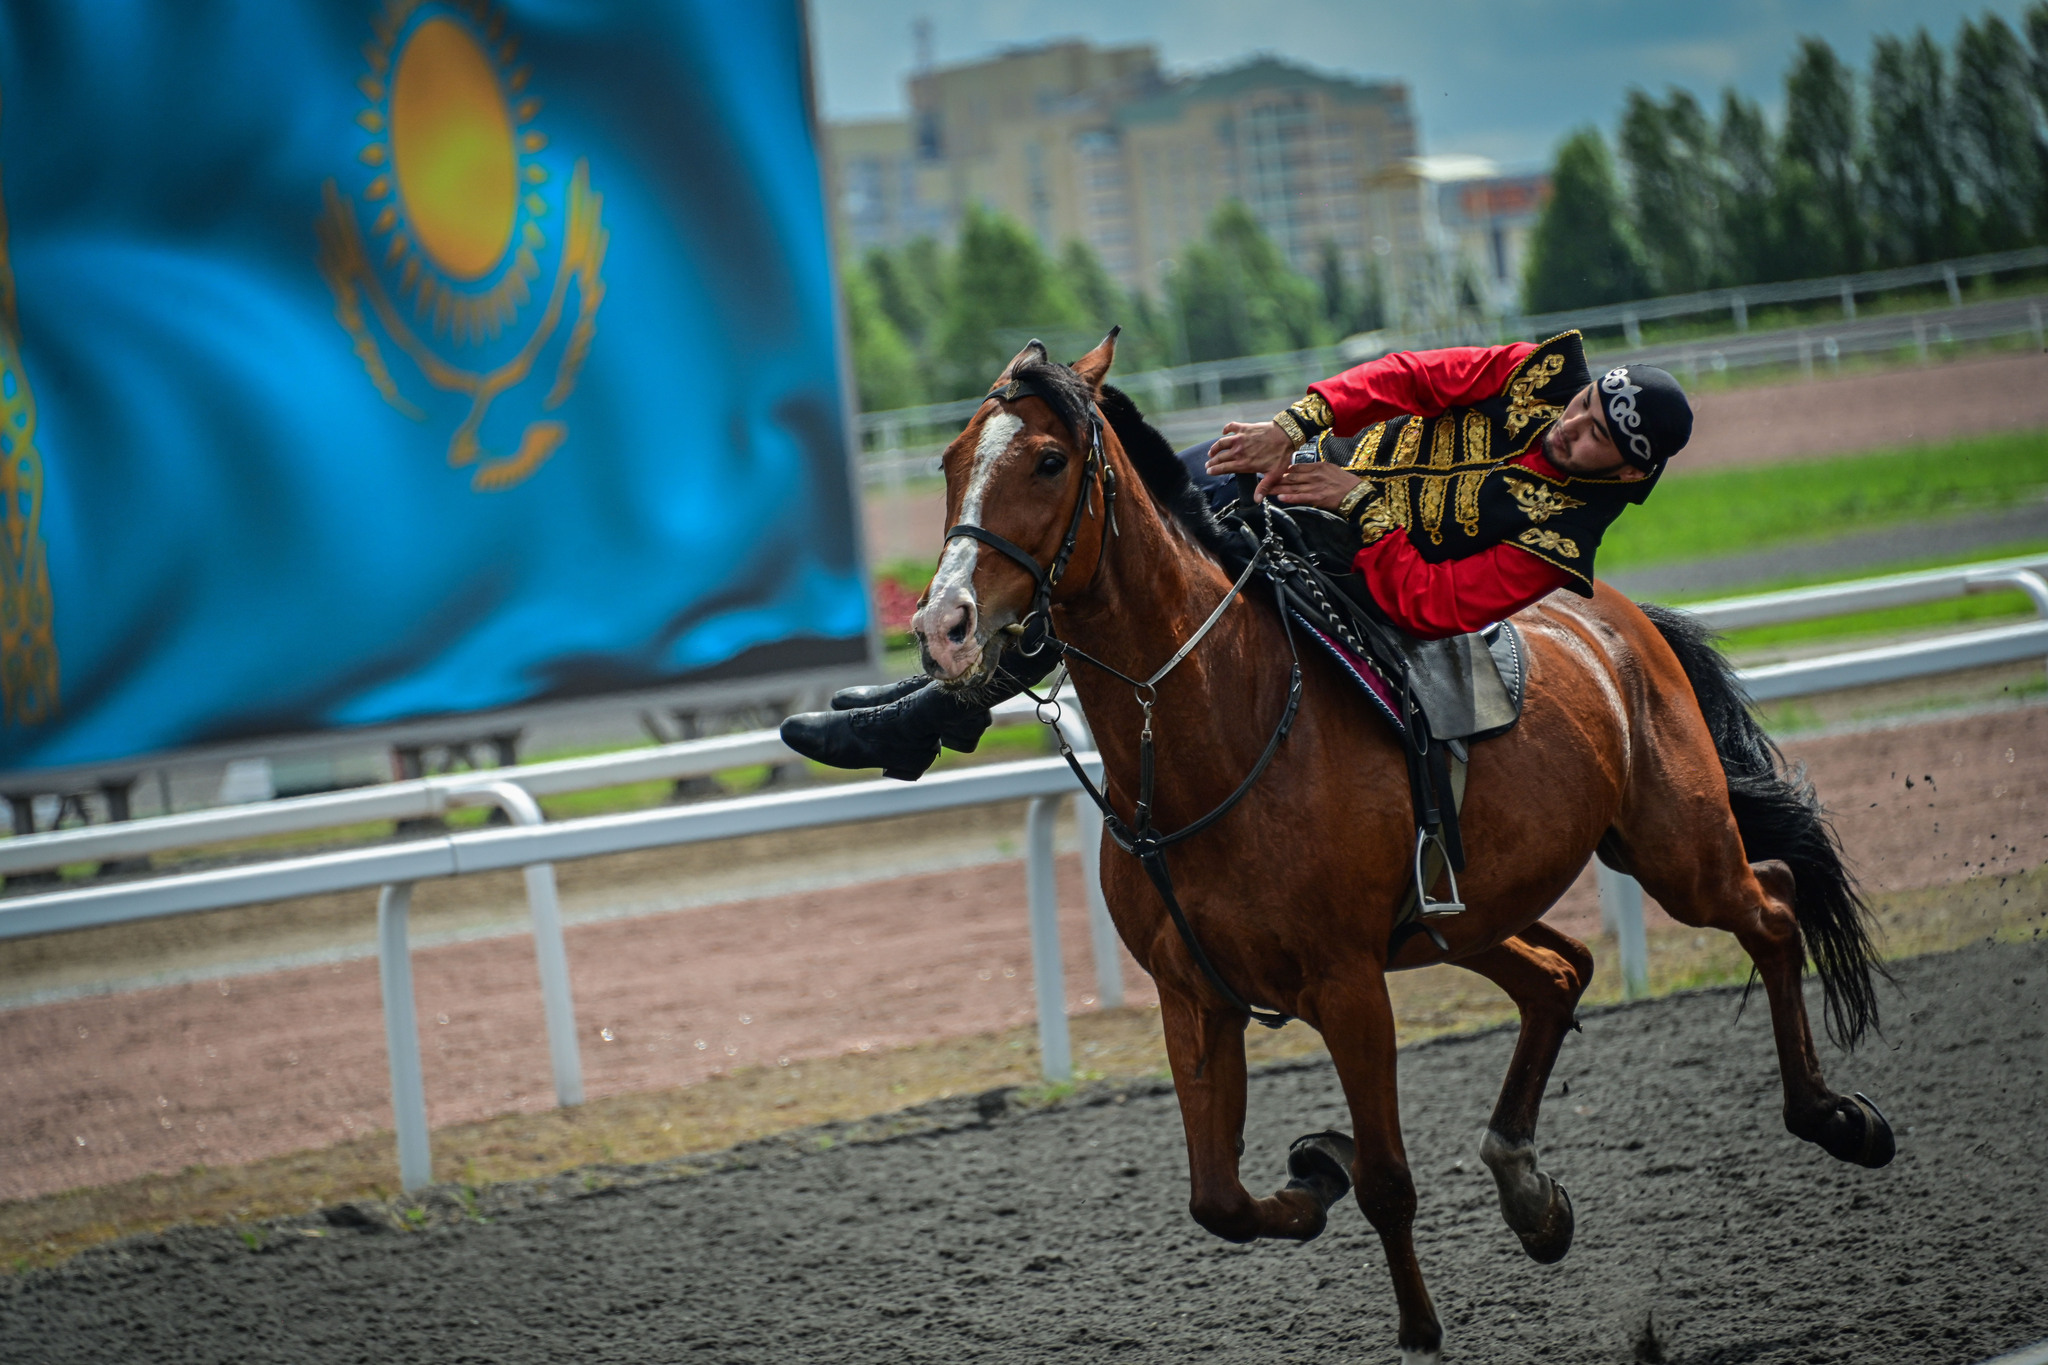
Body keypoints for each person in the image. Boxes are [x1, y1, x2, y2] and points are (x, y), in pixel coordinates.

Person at [782, 330, 1693, 781]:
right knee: (1115, 527)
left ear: (1631, 466)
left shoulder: (1561, 535)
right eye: (1584, 407)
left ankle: (936, 714)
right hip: (1319, 471)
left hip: (1373, 573)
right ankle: (941, 705)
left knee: (1163, 565)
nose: (1574, 425)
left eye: (1598, 434)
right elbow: (1408, 377)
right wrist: (1291, 428)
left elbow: (1438, 604)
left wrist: (1363, 506)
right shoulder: (1539, 374)